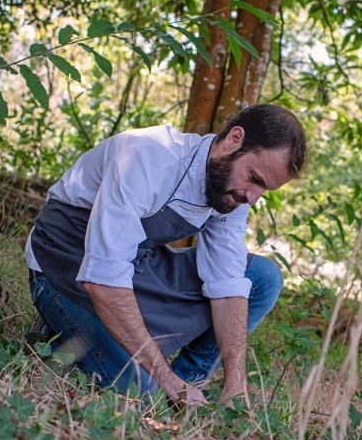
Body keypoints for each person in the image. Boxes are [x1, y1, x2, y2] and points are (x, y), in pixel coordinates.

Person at [25, 103, 307, 406]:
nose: (253, 197)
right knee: (144, 393)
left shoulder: (231, 193)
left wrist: (235, 383)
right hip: (63, 270)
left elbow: (227, 285)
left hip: (133, 270)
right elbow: (103, 280)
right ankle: (59, 334)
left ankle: (187, 382)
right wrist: (163, 378)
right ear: (234, 140)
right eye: (255, 178)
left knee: (261, 277)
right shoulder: (149, 155)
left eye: (265, 190)